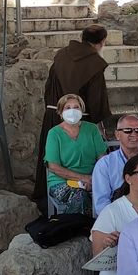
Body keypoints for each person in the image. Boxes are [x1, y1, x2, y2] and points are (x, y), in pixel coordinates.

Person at [36, 24, 110, 206]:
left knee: (50, 160)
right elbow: (96, 101)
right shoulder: (95, 64)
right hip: (78, 117)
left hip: (54, 114)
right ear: (102, 42)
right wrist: (96, 122)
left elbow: (48, 87)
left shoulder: (62, 55)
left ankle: (44, 198)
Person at [44, 92, 107, 216]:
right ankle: (76, 231)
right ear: (60, 113)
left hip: (92, 179)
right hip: (61, 182)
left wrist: (97, 179)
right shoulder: (54, 133)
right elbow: (53, 167)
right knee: (80, 197)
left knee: (115, 194)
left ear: (82, 110)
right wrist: (83, 178)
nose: (72, 110)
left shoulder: (92, 129)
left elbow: (102, 158)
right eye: (68, 108)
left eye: (76, 107)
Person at [91, 112, 138, 216]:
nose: (134, 134)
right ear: (118, 135)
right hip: (117, 217)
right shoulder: (105, 164)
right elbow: (102, 203)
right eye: (128, 130)